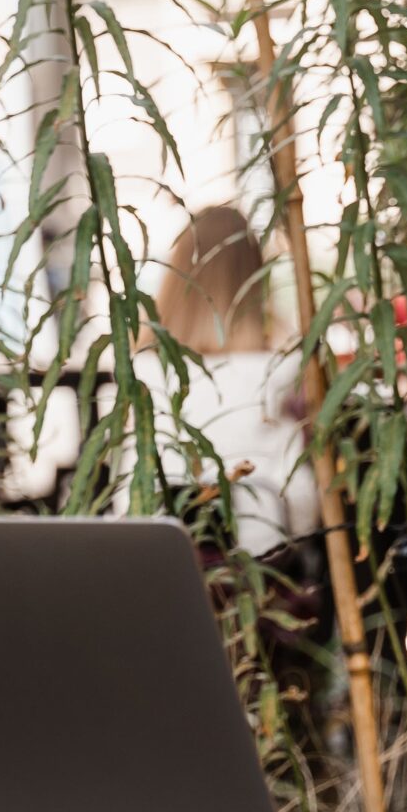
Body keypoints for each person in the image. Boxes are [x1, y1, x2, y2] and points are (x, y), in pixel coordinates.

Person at [149, 204, 316, 555]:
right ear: (254, 279)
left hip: (157, 566)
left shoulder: (143, 371)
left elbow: (125, 502)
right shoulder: (281, 370)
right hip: (263, 571)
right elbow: (304, 510)